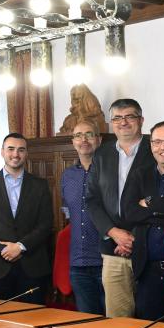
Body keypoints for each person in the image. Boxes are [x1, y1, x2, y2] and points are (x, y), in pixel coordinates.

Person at [87, 99, 155, 317]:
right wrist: (114, 233)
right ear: (111, 123)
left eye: (130, 116)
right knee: (118, 322)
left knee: (151, 320)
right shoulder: (101, 154)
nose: (123, 122)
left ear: (141, 120)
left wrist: (132, 237)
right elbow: (92, 199)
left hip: (149, 248)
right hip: (112, 249)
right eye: (117, 118)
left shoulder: (156, 148)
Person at [0, 133, 53, 305]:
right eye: (11, 149)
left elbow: (45, 224)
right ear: (2, 152)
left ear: (26, 154)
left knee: (34, 323)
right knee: (0, 324)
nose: (16, 154)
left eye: (21, 150)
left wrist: (20, 247)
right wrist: (2, 249)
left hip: (33, 267)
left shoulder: (40, 185)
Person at [121, 121, 164, 321]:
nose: (163, 147)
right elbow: (128, 212)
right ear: (151, 146)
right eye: (157, 142)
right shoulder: (141, 174)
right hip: (146, 269)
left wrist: (148, 204)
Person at [61, 119, 105, 314]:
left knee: (116, 325)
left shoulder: (110, 172)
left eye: (89, 134)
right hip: (78, 263)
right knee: (87, 325)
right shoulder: (67, 176)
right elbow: (68, 214)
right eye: (78, 135)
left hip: (107, 260)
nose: (84, 139)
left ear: (99, 139)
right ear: (73, 142)